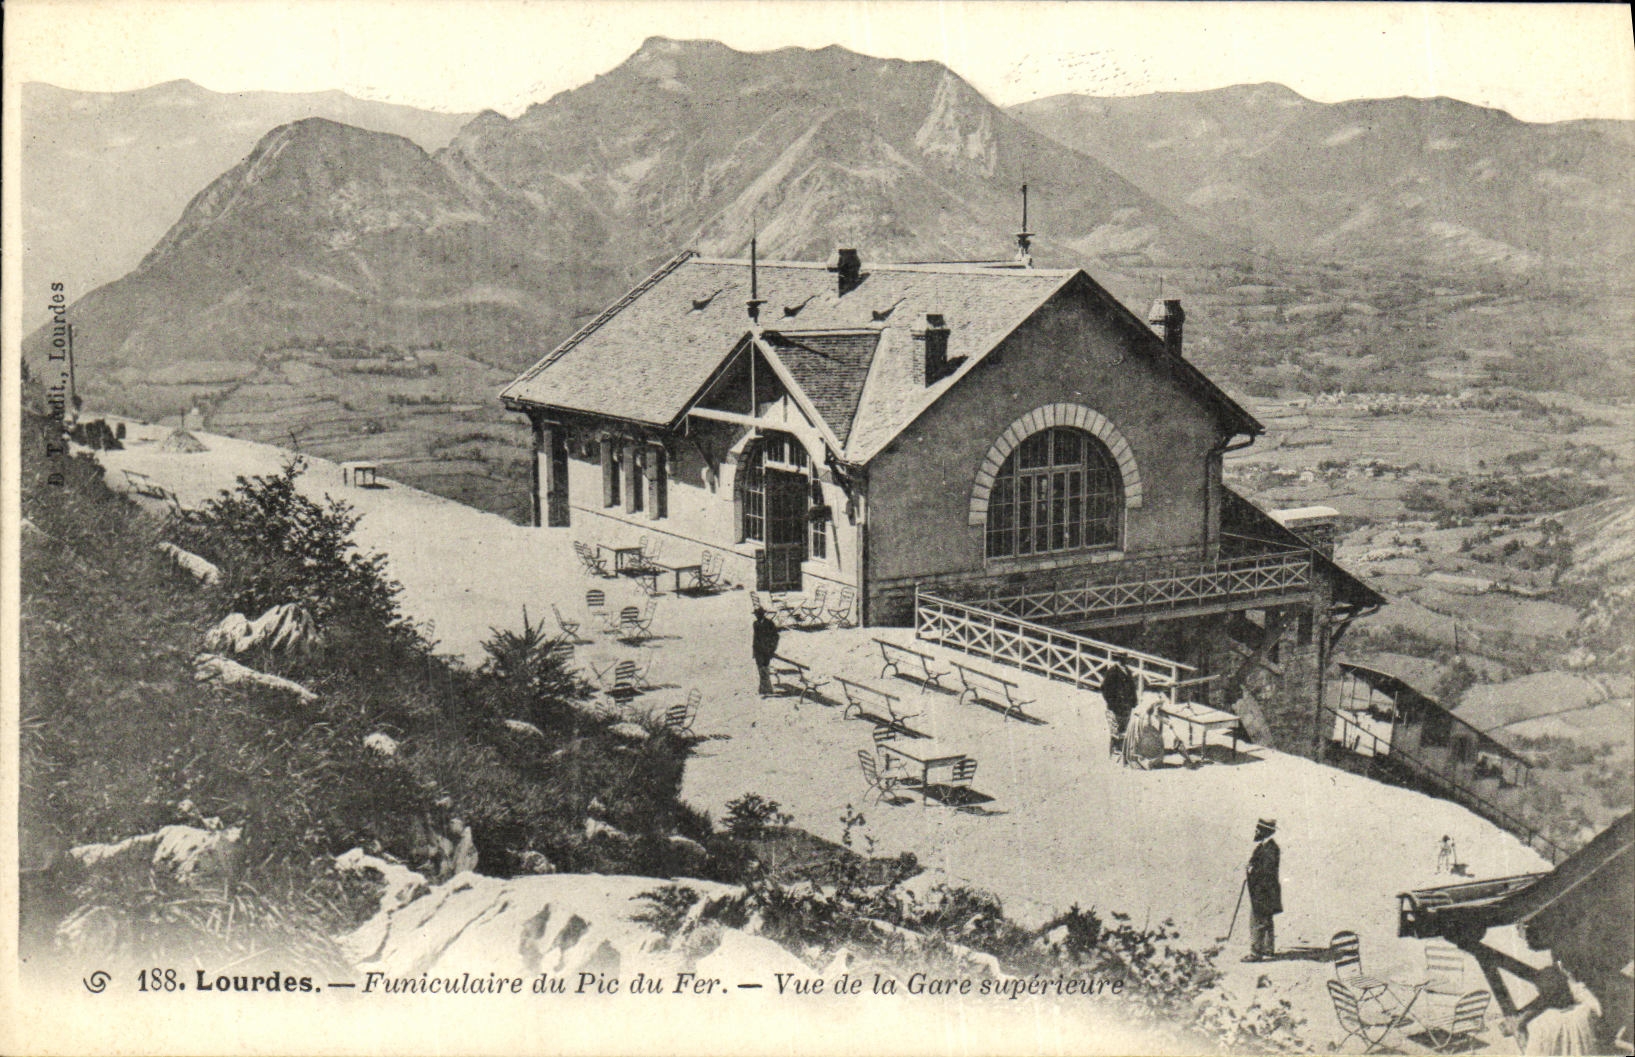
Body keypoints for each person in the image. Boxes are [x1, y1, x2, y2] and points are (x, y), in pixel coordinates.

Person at [1244, 818, 1282, 962]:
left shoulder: (1271, 848)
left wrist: (1253, 870)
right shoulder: (1262, 848)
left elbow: (1267, 869)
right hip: (1262, 890)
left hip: (1265, 891)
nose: (1255, 832)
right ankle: (1267, 950)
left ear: (1264, 832)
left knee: (1258, 920)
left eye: (1257, 830)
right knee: (1265, 920)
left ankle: (1256, 953)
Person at [1102, 662, 1137, 754]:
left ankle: (1121, 746)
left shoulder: (1127, 671)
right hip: (1116, 706)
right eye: (1121, 658)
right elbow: (1105, 688)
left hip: (1126, 705)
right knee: (1115, 727)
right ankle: (1115, 747)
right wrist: (1112, 702)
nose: (1123, 660)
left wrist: (1133, 701)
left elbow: (1132, 687)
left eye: (1124, 658)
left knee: (1125, 726)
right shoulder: (1112, 671)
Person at [752, 600, 780, 695]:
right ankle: (763, 688)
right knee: (760, 669)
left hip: (766, 651)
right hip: (758, 651)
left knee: (765, 668)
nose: (757, 616)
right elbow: (755, 638)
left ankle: (767, 689)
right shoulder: (755, 624)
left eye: (758, 614)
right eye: (756, 615)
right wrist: (754, 651)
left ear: (762, 615)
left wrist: (772, 648)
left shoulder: (769, 624)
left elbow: (775, 637)